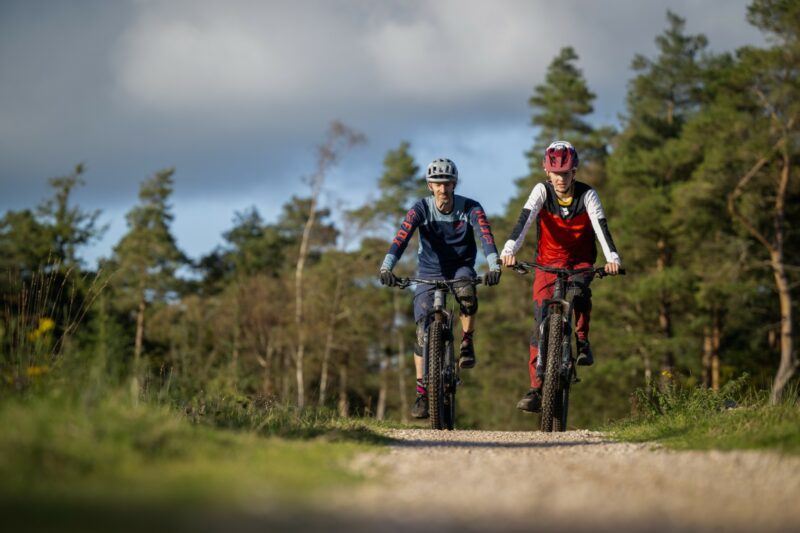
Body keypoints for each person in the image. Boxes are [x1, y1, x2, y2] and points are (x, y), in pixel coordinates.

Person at [500, 141, 622, 413]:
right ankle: (536, 388)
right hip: (547, 263)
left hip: (579, 261)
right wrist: (509, 250)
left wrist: (612, 258)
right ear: (547, 171)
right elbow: (525, 220)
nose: (560, 179)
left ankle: (582, 340)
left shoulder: (588, 195)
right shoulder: (541, 191)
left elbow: (601, 228)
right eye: (555, 173)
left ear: (574, 171)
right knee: (540, 321)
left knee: (579, 294)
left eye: (565, 173)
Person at [379, 158, 502, 419]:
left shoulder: (470, 207)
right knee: (423, 331)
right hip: (429, 270)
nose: (443, 189)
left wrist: (494, 266)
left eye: (447, 183)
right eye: (437, 184)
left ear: (454, 184)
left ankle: (467, 343)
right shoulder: (420, 209)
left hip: (460, 268)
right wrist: (386, 267)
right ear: (429, 186)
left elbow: (485, 237)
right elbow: (401, 238)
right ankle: (422, 392)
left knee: (467, 294)